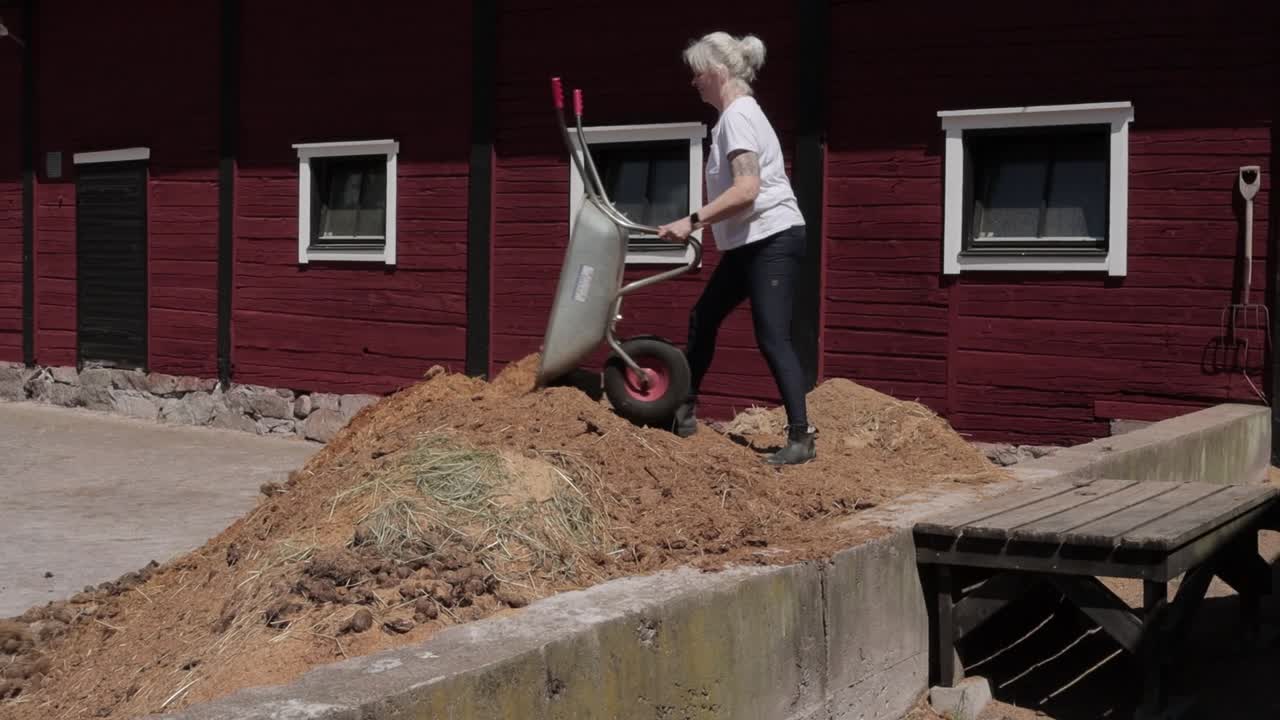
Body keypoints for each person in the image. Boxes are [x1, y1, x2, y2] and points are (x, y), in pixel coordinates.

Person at [656, 31, 815, 466]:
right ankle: (682, 411)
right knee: (703, 316)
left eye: (698, 74)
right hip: (750, 241)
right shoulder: (736, 117)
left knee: (772, 336)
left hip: (772, 238)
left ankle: (801, 438)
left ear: (719, 72)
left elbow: (747, 190)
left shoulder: (738, 117)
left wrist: (690, 222)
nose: (694, 83)